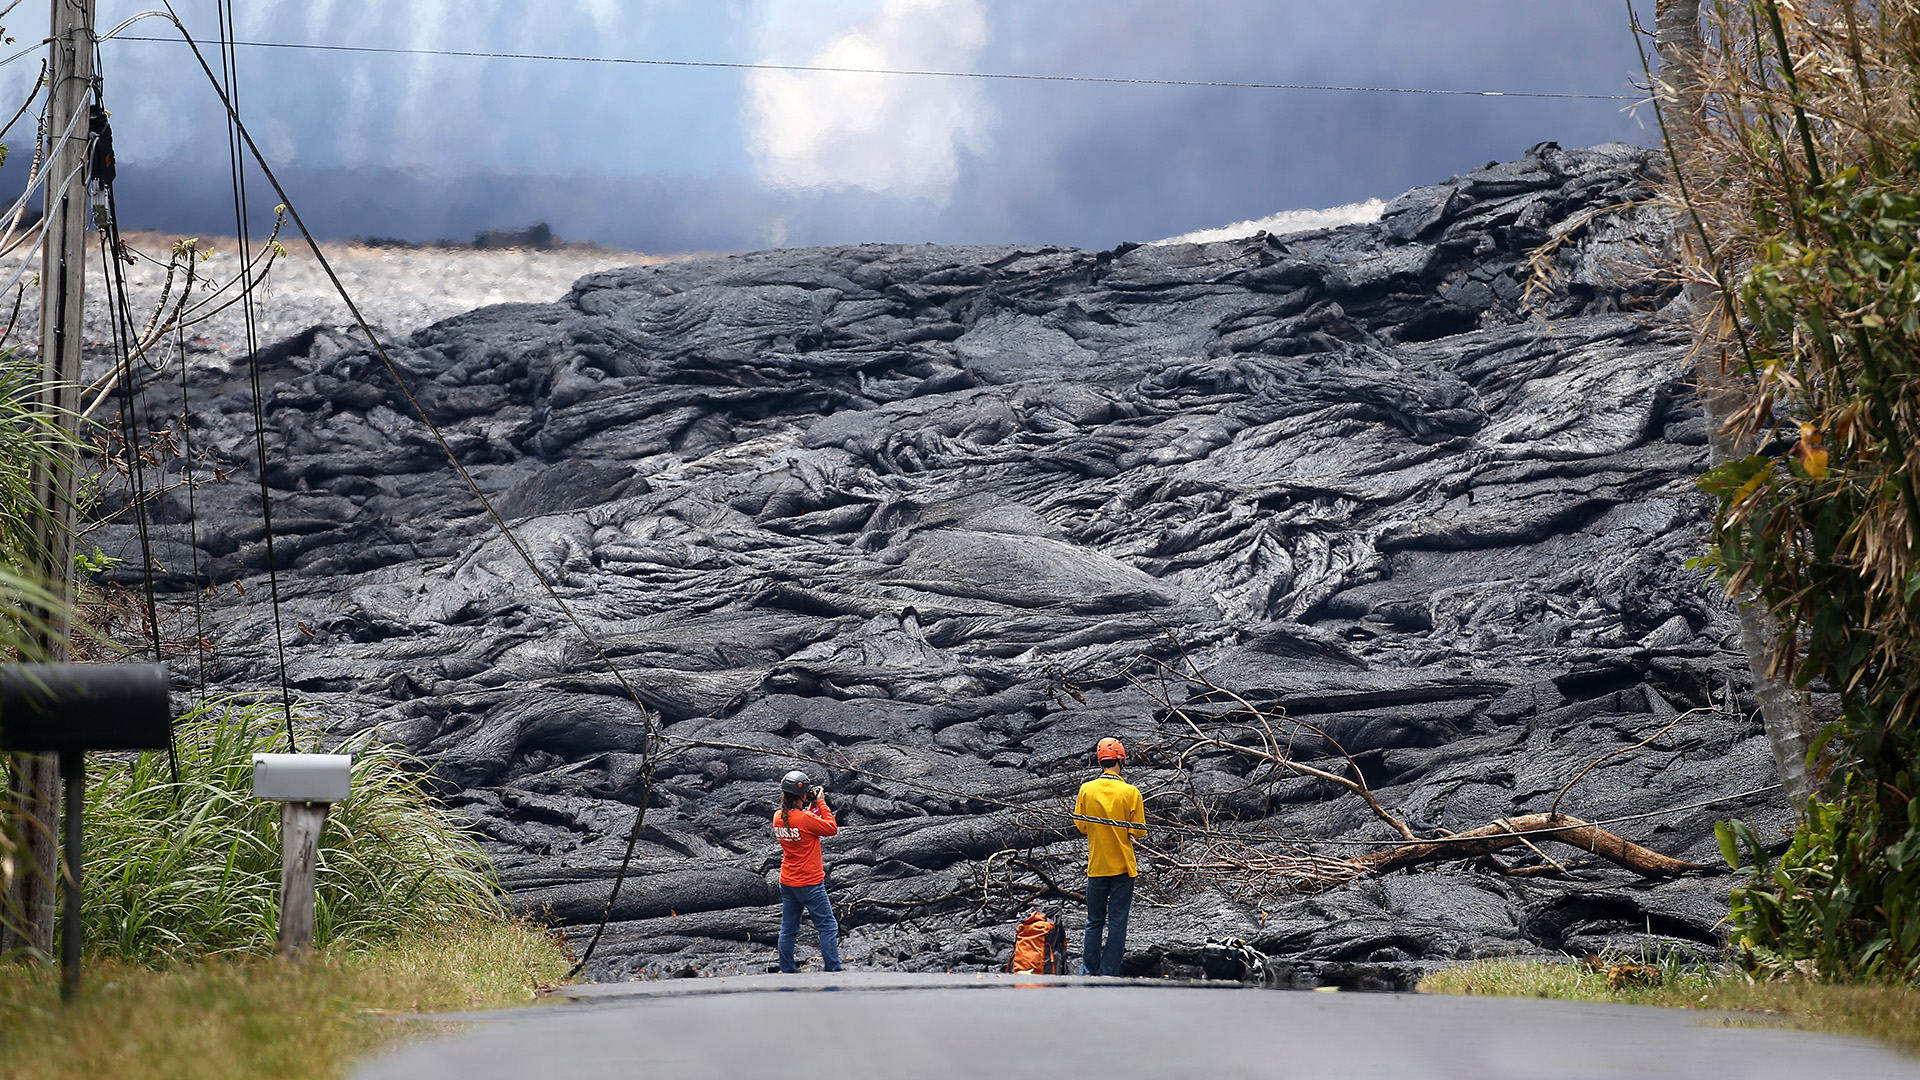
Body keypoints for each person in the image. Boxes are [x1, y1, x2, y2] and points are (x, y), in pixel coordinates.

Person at [1074, 737, 1145, 977]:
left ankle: (1088, 970)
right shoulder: (1131, 792)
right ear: (1121, 760)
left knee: (1094, 920)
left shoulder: (1086, 789)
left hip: (1097, 866)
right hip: (1123, 867)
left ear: (1100, 761)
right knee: (1117, 922)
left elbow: (1082, 826)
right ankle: (1109, 972)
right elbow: (1138, 831)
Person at [772, 769, 842, 973]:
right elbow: (831, 828)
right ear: (802, 794)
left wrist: (811, 805)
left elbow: (804, 821)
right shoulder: (803, 819)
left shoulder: (778, 817)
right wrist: (821, 802)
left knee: (788, 929)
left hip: (787, 881)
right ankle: (833, 970)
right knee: (827, 926)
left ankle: (788, 970)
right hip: (809, 883)